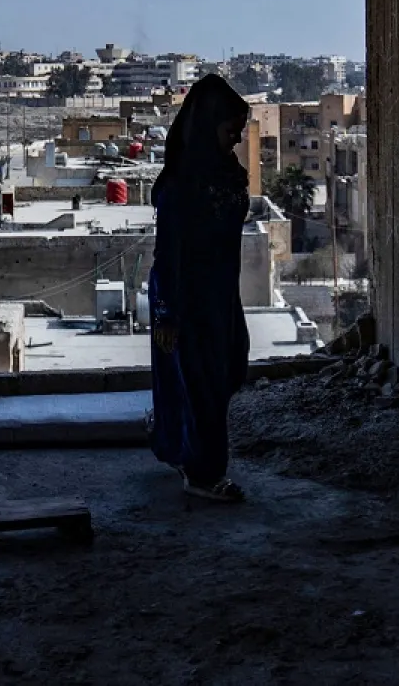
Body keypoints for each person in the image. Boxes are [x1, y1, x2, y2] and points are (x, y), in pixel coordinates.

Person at [147, 74, 252, 502]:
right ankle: (205, 472)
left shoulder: (227, 174)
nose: (237, 139)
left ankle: (178, 444)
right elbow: (168, 251)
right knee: (200, 384)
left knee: (226, 370)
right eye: (231, 130)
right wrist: (167, 313)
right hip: (185, 296)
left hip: (220, 294)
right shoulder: (182, 185)